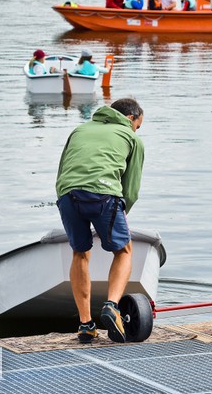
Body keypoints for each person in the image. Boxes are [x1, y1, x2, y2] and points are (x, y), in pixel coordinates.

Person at [55, 98, 145, 344]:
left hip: (67, 194)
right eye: (138, 125)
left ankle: (85, 325)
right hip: (104, 194)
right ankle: (112, 306)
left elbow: (63, 170)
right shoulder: (131, 138)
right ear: (130, 118)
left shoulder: (80, 130)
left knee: (80, 253)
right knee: (124, 250)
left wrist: (65, 200)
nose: (137, 130)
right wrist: (122, 213)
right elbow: (131, 189)